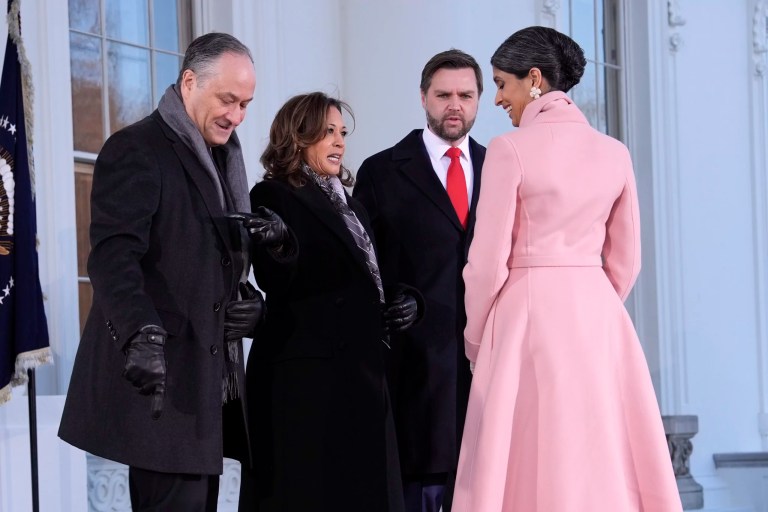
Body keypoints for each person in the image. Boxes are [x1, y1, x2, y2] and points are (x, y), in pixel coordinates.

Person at [58, 33, 294, 512]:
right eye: (228, 99)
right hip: (164, 384)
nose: (237, 116)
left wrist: (251, 303)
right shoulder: (136, 148)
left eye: (246, 104)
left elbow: (217, 259)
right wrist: (139, 334)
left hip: (209, 384)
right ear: (189, 82)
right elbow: (112, 255)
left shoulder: (223, 155)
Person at [452, 27, 682, 511]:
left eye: (501, 83)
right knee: (596, 456)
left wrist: (477, 339)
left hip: (524, 321)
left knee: (524, 458)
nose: (497, 98)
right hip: (599, 320)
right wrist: (593, 303)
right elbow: (627, 259)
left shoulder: (510, 150)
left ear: (534, 79)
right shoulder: (614, 152)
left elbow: (486, 262)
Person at [234, 92, 422, 512]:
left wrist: (407, 300)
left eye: (342, 133)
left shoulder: (352, 207)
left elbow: (368, 279)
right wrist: (282, 244)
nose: (338, 142)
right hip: (306, 383)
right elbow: (274, 279)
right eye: (326, 133)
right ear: (298, 138)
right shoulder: (272, 195)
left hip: (362, 375)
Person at [354, 49, 485, 512]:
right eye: (444, 94)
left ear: (479, 100)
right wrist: (394, 301)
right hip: (412, 374)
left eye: (465, 95)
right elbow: (359, 264)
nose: (455, 104)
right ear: (423, 97)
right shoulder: (382, 171)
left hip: (487, 369)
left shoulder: (503, 169)